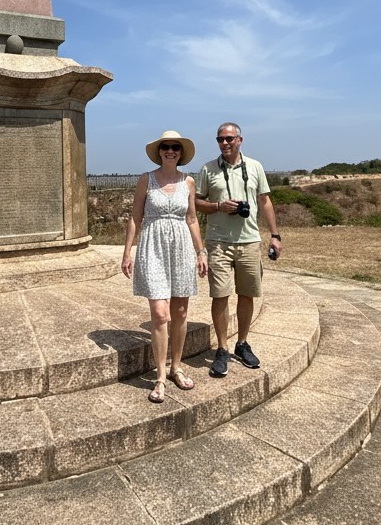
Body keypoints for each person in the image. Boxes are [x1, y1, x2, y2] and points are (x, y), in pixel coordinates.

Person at [121, 130, 208, 403]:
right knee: (160, 314)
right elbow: (136, 217)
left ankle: (176, 367)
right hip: (153, 247)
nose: (171, 151)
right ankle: (159, 376)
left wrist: (201, 251)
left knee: (181, 310)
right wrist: (127, 252)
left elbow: (192, 219)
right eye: (166, 147)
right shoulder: (146, 180)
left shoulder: (188, 182)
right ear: (159, 151)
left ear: (181, 153)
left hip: (181, 247)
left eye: (175, 147)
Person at [195, 122, 282, 377]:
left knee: (247, 294)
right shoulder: (208, 169)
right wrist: (219, 206)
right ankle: (222, 348)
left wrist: (274, 235)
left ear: (240, 140)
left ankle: (242, 343)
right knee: (220, 295)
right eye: (220, 139)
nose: (225, 143)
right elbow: (198, 202)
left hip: (249, 241)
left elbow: (265, 201)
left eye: (230, 139)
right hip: (218, 242)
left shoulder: (254, 167)